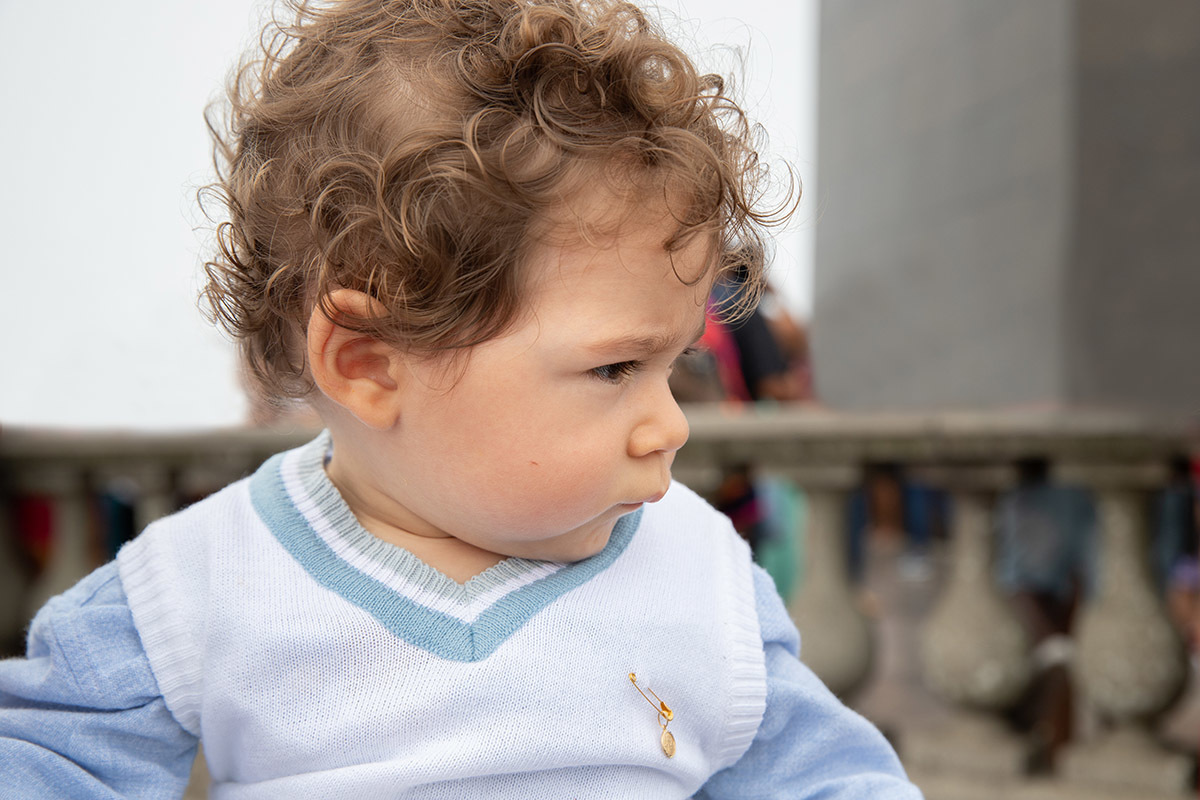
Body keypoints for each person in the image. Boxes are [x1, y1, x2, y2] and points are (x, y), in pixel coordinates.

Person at [0, 1, 923, 796]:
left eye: (674, 366)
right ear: (370, 364)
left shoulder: (700, 575)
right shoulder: (201, 586)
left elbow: (834, 781)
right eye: (615, 371)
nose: (671, 425)